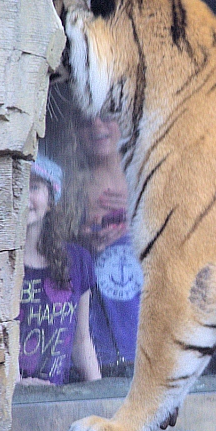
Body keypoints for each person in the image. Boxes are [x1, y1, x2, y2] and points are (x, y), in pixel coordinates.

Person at [59, 113, 142, 378]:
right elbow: (48, 242)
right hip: (95, 325)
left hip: (141, 319)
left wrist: (134, 218)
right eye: (85, 121)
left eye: (107, 116)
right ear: (75, 133)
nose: (97, 126)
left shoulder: (145, 173)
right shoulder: (68, 185)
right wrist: (80, 240)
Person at [17, 155, 101, 385]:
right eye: (19, 184)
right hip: (12, 402)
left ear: (51, 200)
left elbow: (81, 341)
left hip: (56, 399)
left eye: (34, 187)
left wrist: (101, 396)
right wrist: (18, 384)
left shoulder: (78, 261)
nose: (25, 195)